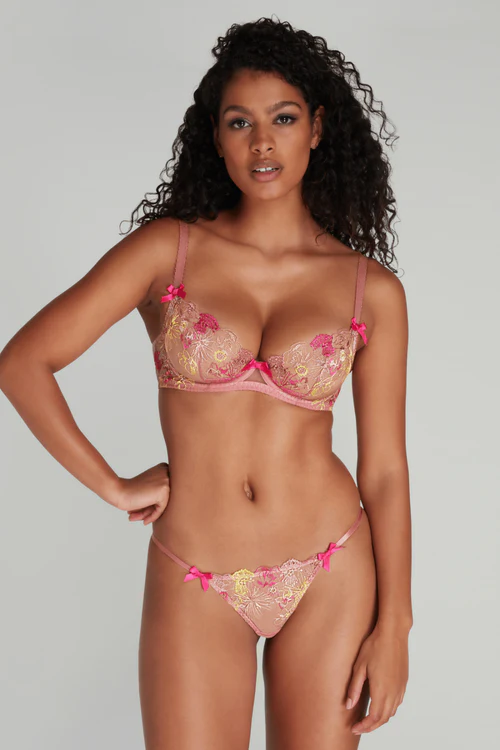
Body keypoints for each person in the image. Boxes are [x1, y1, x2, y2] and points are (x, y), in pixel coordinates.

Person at [0, 16, 412, 749]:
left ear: (317, 129)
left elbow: (383, 469)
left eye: (284, 118)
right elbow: (23, 363)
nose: (263, 143)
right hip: (197, 572)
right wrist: (113, 486)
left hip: (332, 567)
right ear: (215, 138)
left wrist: (396, 626)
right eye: (240, 122)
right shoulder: (169, 251)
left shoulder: (368, 289)